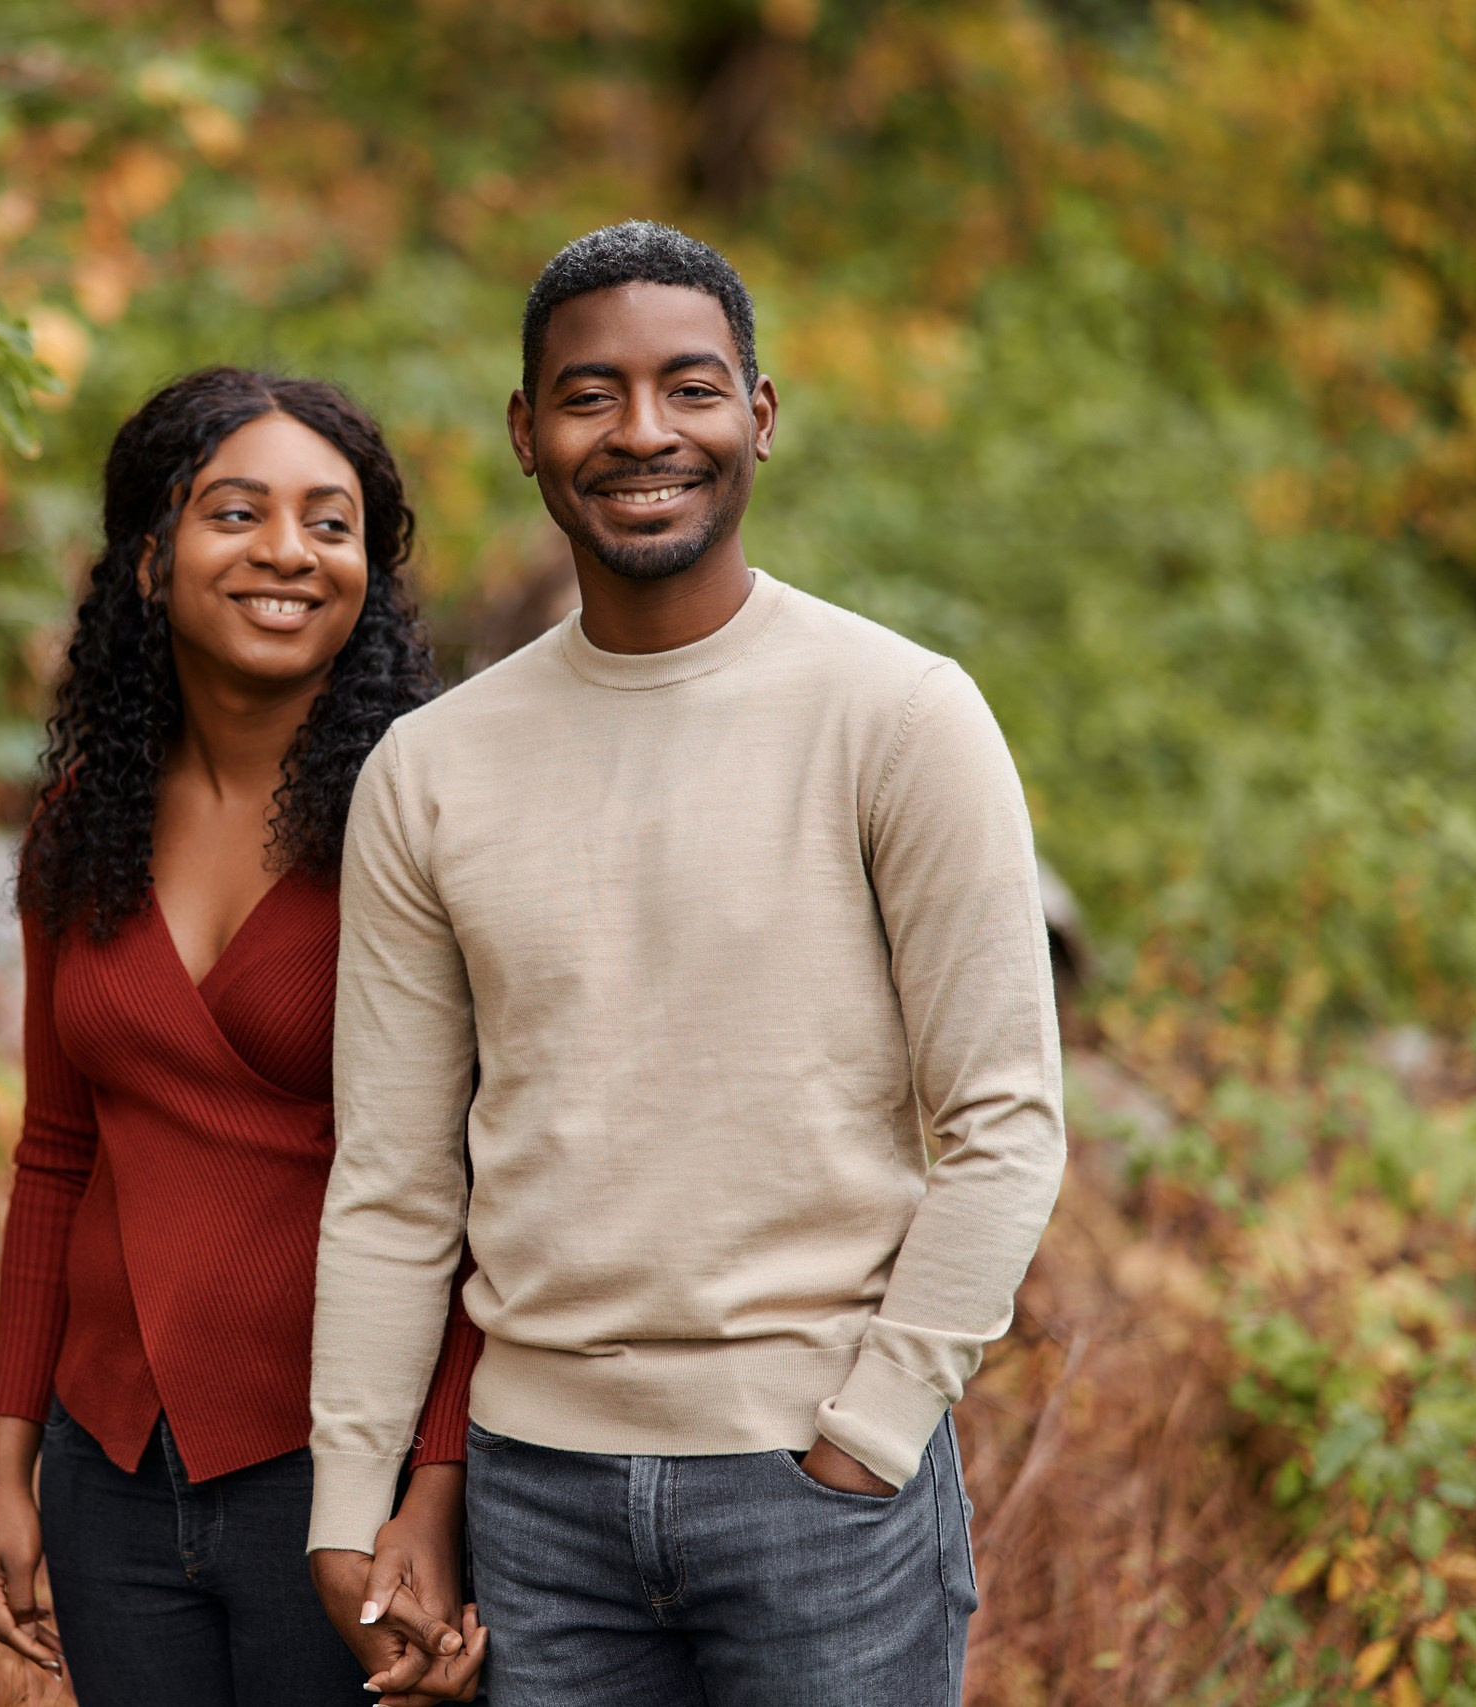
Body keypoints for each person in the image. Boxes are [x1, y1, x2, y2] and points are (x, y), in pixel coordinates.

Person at [307, 222, 1067, 1705]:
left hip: (819, 1502)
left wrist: (874, 1426)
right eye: (589, 396)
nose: (642, 431)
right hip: (537, 1511)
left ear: (759, 419)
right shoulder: (429, 769)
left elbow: (1006, 1121)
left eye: (690, 388)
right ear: (527, 434)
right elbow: (395, 1181)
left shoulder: (900, 716)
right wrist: (354, 1495)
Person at [0, 368, 489, 1707]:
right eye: (236, 513)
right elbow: (55, 1156)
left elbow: (490, 1186)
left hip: (339, 1473)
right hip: (111, 1469)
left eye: (330, 522)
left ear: (371, 567)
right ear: (148, 560)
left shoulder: (428, 821)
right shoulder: (82, 824)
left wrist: (432, 1491)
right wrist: (4, 1466)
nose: (286, 555)